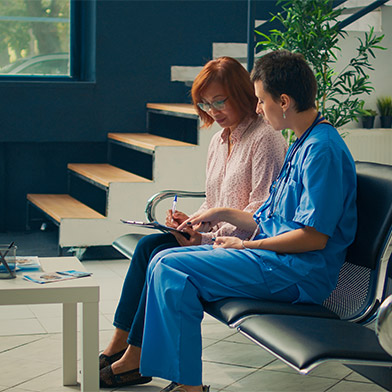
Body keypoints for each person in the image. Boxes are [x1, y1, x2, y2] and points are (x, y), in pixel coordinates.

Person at [139, 50, 357, 392]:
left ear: (283, 101)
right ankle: (183, 382)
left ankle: (187, 387)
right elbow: (273, 218)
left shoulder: (322, 151)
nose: (257, 109)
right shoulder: (303, 142)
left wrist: (245, 244)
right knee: (161, 259)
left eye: (260, 100)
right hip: (273, 262)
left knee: (171, 269)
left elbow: (313, 238)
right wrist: (219, 213)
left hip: (297, 274)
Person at [99, 56, 287, 388]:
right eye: (204, 103)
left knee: (161, 258)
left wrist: (205, 236)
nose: (212, 111)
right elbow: (215, 200)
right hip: (215, 239)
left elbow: (262, 217)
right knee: (148, 246)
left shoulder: (265, 140)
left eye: (219, 101)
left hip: (242, 247)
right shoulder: (219, 140)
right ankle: (121, 343)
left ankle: (134, 358)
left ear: (243, 94)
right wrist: (193, 224)